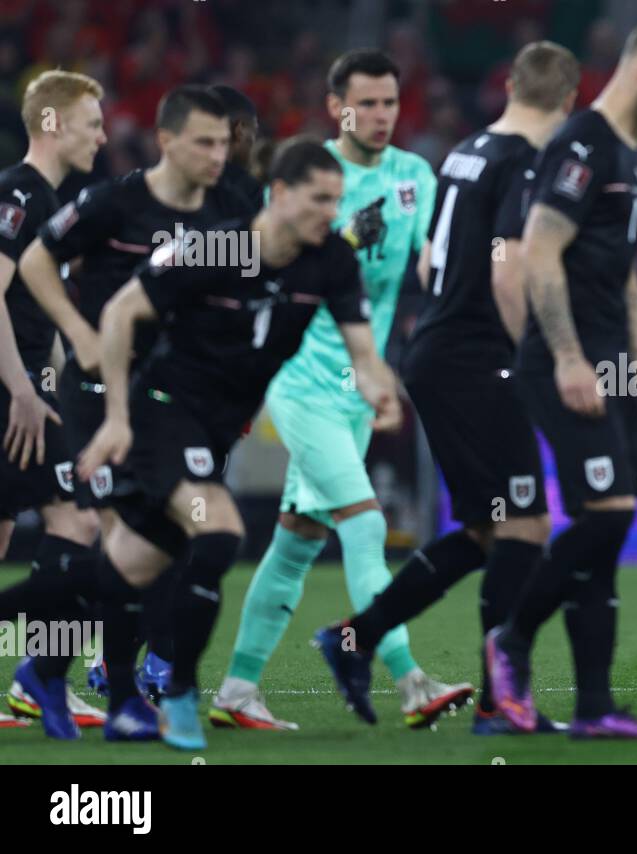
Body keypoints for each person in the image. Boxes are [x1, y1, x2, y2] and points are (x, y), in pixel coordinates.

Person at [77, 138, 402, 751]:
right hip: (161, 413)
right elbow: (120, 313)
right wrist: (116, 417)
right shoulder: (216, 246)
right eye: (317, 200)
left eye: (336, 201)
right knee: (219, 529)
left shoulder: (331, 259)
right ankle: (174, 692)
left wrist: (379, 389)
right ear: (279, 195)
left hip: (217, 428)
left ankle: (55, 672)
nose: (330, 214)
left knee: (133, 564)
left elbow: (364, 354)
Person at [312, 41, 580, 734]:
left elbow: (433, 265)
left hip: (435, 350)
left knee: (491, 530)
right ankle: (498, 705)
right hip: (477, 361)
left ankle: (354, 639)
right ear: (568, 101)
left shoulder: (465, 151)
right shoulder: (524, 160)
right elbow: (506, 270)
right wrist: (543, 362)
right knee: (525, 527)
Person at [212, 50, 446, 731]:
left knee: (299, 539)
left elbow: (429, 255)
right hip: (299, 377)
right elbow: (266, 257)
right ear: (335, 106)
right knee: (368, 523)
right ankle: (410, 681)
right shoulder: (308, 176)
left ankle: (236, 690)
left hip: (360, 379)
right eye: (365, 103)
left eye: (390, 103)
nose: (379, 116)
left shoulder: (414, 174)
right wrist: (342, 233)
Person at [485, 17, 637, 739]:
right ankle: (511, 639)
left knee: (607, 532)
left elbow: (628, 283)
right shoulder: (579, 143)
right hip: (564, 361)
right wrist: (573, 359)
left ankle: (593, 707)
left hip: (612, 364)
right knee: (605, 513)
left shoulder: (634, 156)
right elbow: (539, 254)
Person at [14, 83, 252, 730]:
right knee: (116, 541)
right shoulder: (115, 203)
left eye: (223, 143)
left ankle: (49, 665)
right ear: (166, 141)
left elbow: (251, 281)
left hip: (167, 401)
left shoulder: (228, 212)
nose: (217, 155)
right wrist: (80, 334)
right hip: (97, 395)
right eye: (203, 142)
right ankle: (116, 693)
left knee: (146, 553)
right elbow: (37, 261)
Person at [0, 70, 106, 736]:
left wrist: (59, 379)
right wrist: (22, 389)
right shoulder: (17, 192)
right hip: (13, 391)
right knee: (82, 528)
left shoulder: (58, 205)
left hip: (30, 385)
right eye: (91, 121)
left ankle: (34, 678)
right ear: (51, 124)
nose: (102, 133)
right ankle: (41, 675)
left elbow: (38, 313)